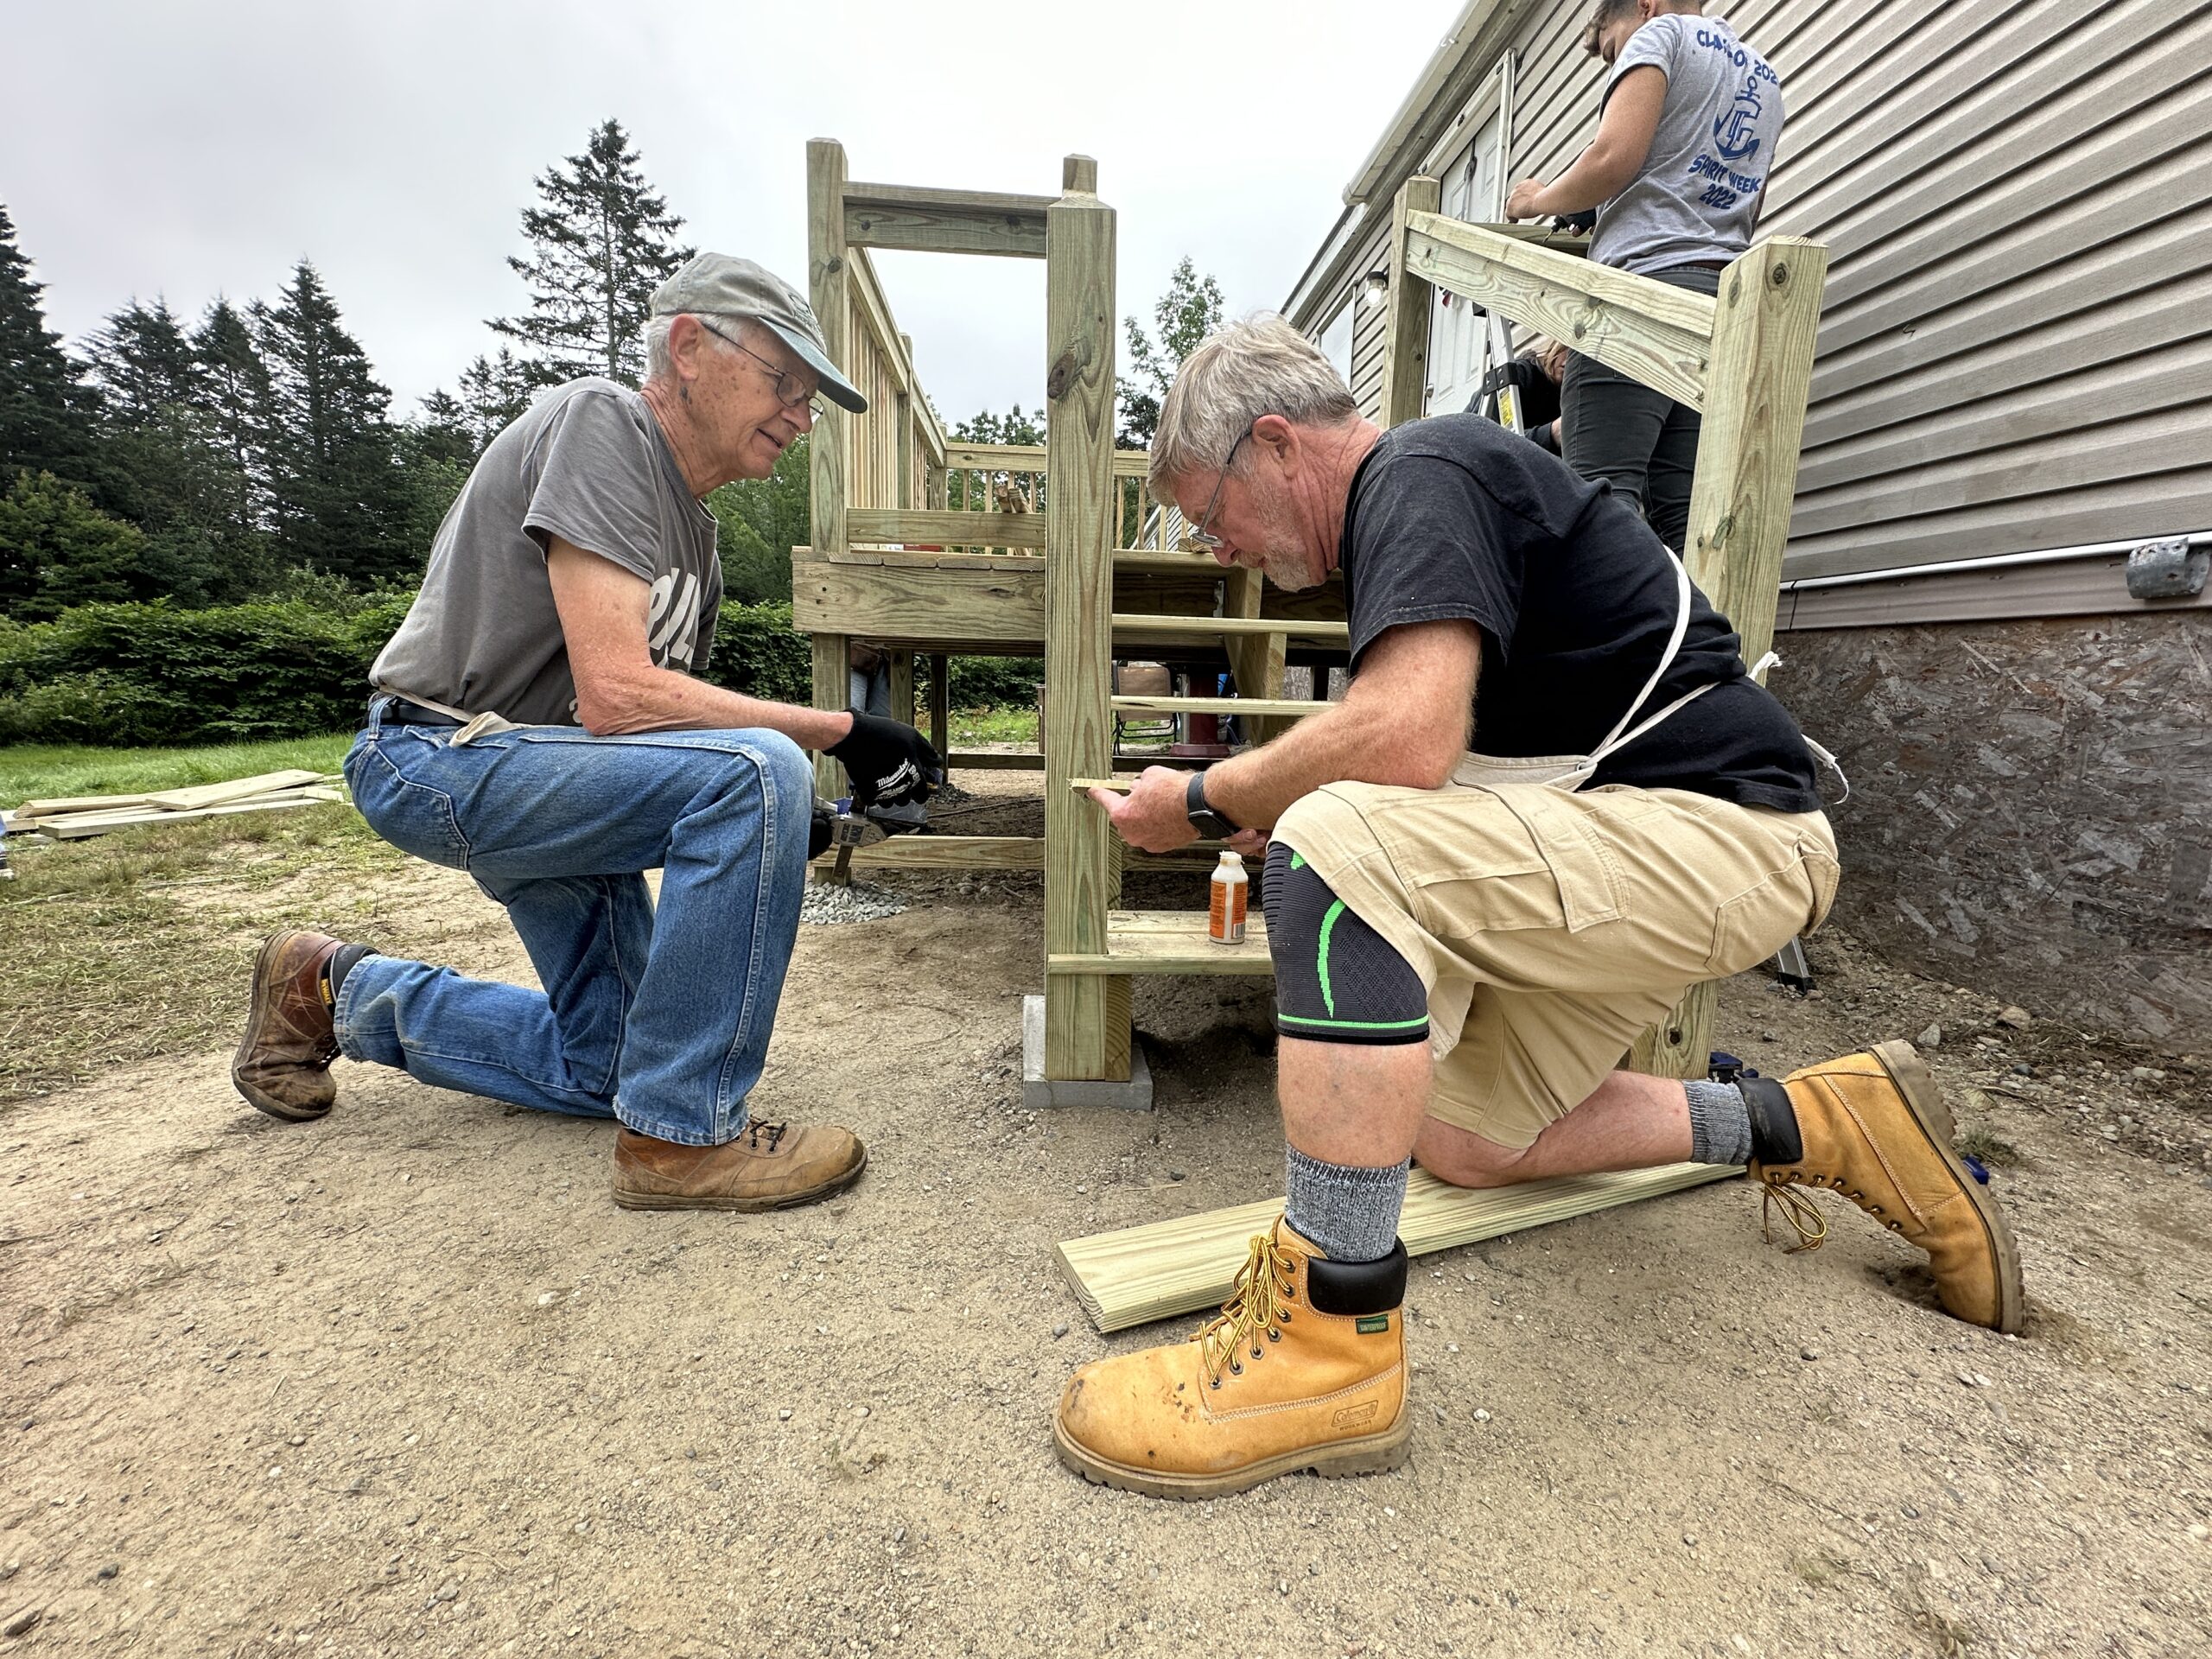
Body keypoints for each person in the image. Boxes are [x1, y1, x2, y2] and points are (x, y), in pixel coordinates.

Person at [1054, 317, 2021, 1501]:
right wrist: (1276, 801)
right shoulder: (1430, 499)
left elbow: (1403, 737)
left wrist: (1203, 801)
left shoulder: (1416, 469)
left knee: (1326, 847)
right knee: (1470, 1139)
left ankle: (1324, 1344)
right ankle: (1812, 1120)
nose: (1220, 551)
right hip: (1676, 838)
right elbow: (1449, 754)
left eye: (1214, 514)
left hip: (1725, 833)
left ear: (1274, 444)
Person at [230, 254, 941, 1213]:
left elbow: (643, 731)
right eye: (785, 382)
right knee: (758, 773)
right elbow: (618, 695)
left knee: (608, 1063)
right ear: (689, 346)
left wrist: (791, 826)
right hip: (438, 755)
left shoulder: (696, 537)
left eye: (810, 399)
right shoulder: (605, 421)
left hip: (541, 776)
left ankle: (331, 989)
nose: (801, 418)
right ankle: (681, 1142)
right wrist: (841, 731)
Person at [1503, 0, 1785, 550]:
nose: (1616, 66)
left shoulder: (1661, 37)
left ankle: (1615, 638)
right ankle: (1692, 638)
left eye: (1613, 50)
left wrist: (1538, 199)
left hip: (1637, 299)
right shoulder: (1763, 75)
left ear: (1645, 6)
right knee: (1683, 520)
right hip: (1716, 308)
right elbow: (1742, 210)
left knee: (1598, 506)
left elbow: (1613, 157)